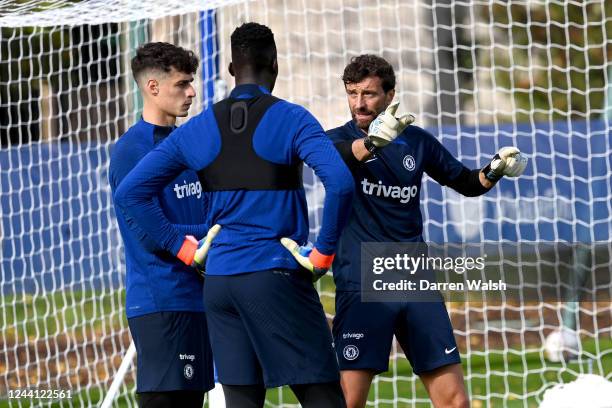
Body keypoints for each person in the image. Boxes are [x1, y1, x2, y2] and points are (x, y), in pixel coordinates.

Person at [113, 23, 354, 408]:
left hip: (219, 287)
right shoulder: (291, 117)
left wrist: (187, 248)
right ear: (274, 65)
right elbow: (340, 184)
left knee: (241, 399)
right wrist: (323, 254)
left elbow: (130, 194)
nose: (190, 92)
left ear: (230, 69)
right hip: (272, 275)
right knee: (323, 394)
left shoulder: (200, 127)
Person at [325, 54, 527, 408]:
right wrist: (373, 143)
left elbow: (466, 182)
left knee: (455, 400)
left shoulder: (417, 142)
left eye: (369, 94)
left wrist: (495, 169)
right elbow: (334, 157)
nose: (359, 103)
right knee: (347, 401)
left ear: (390, 96)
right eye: (352, 93)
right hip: (362, 279)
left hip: (414, 277)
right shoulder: (334, 140)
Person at [108, 42, 216, 408]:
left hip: (197, 297)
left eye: (192, 83)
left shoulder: (191, 145)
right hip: (161, 300)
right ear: (153, 88)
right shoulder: (132, 150)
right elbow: (145, 231)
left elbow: (208, 213)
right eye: (182, 84)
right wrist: (206, 238)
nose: (192, 92)